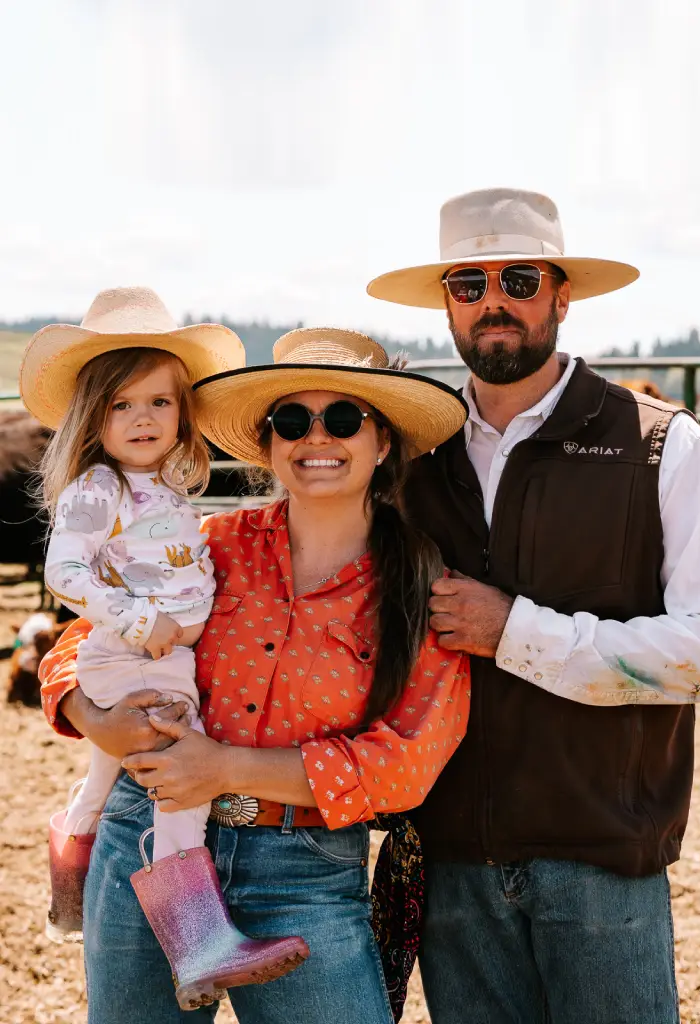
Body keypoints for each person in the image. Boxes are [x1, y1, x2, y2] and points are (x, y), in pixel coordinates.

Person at [366, 188, 700, 1024]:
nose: (492, 301)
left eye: (517, 278)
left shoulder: (657, 444)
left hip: (601, 852)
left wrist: (516, 632)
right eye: (467, 285)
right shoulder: (413, 460)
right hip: (452, 855)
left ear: (561, 294)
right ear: (446, 305)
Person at [38, 326, 470, 1024]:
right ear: (268, 443)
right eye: (292, 420)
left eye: (344, 419)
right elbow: (76, 642)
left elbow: (405, 764)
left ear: (382, 441)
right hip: (144, 836)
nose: (316, 438)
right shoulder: (212, 545)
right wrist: (95, 719)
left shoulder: (421, 587)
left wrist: (224, 768)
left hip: (302, 870)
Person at [22, 287, 311, 1005]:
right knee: (182, 773)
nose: (142, 418)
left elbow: (176, 568)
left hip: (148, 653)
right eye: (121, 405)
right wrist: (139, 621)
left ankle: (70, 882)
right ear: (94, 417)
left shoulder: (162, 490)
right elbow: (64, 571)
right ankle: (197, 940)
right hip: (135, 657)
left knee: (102, 777)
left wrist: (184, 609)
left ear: (182, 413)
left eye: (158, 402)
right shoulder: (98, 488)